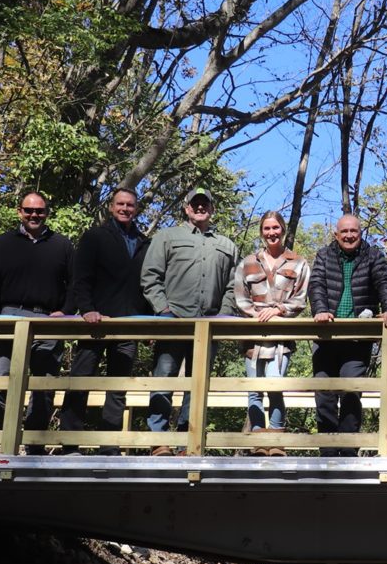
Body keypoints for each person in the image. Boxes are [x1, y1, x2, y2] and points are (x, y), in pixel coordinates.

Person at [0, 191, 73, 454]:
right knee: (2, 377)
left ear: (47, 213)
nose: (34, 215)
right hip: (11, 315)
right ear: (20, 212)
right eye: (29, 210)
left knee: (44, 384)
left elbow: (75, 283)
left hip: (49, 320)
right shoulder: (4, 244)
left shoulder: (61, 245)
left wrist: (66, 310)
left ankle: (35, 444)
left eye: (39, 211)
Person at [140, 187, 239, 454]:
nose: (199, 207)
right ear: (186, 208)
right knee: (164, 378)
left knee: (198, 384)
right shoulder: (167, 237)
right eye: (194, 204)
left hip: (208, 326)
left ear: (212, 208)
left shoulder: (226, 245)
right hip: (173, 322)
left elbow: (234, 285)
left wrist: (223, 314)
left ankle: (187, 439)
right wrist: (163, 310)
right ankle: (158, 440)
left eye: (204, 203)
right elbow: (150, 277)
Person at [59, 187, 149, 455]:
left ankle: (108, 446)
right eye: (120, 204)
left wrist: (147, 319)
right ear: (111, 207)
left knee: (117, 387)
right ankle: (69, 444)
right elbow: (81, 277)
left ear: (136, 209)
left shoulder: (144, 242)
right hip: (95, 323)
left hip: (128, 325)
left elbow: (146, 285)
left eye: (130, 205)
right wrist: (86, 309)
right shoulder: (95, 237)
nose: (125, 209)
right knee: (80, 380)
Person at [309, 213, 387, 452]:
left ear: (360, 233)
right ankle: (327, 452)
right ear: (336, 234)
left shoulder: (373, 255)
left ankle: (348, 451)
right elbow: (316, 284)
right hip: (326, 336)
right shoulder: (324, 255)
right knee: (324, 393)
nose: (349, 236)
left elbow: (385, 282)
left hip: (357, 338)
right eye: (344, 232)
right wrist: (320, 309)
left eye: (353, 231)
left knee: (351, 391)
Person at [233, 211, 309, 455]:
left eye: (275, 228)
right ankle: (258, 441)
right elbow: (239, 297)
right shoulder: (248, 262)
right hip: (253, 337)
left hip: (281, 338)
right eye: (267, 228)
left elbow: (299, 299)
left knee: (275, 386)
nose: (271, 233)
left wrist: (278, 311)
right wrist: (256, 315)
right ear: (261, 232)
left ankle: (276, 441)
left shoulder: (298, 262)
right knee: (254, 390)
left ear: (283, 230)